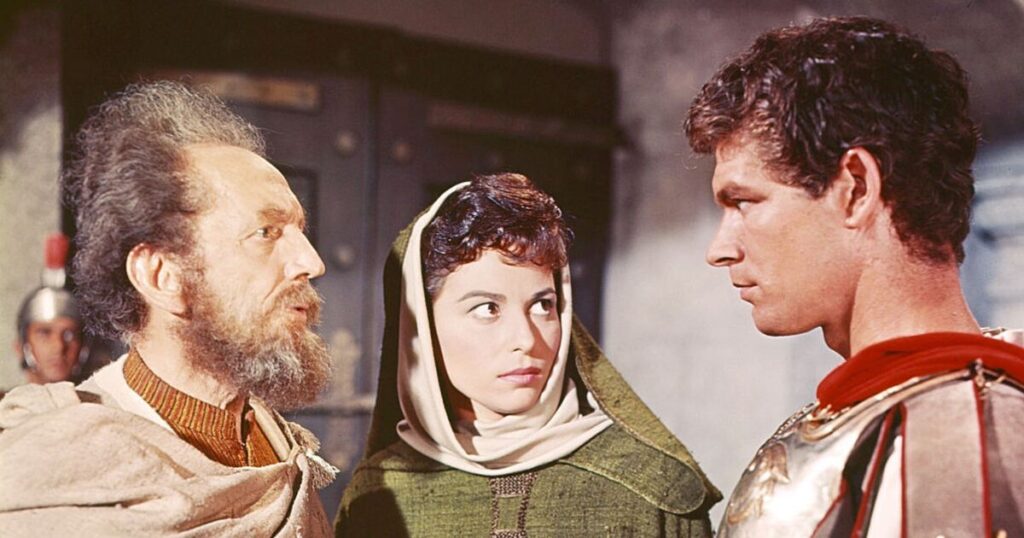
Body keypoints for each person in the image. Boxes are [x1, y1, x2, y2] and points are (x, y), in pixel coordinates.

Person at [685, 16, 1024, 537]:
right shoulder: (868, 411)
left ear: (857, 189)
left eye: (744, 201)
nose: (719, 250)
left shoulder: (953, 434)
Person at [0, 81, 336, 536]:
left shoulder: (277, 445)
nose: (311, 262)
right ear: (162, 276)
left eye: (299, 231)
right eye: (266, 233)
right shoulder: (58, 473)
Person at [335, 173, 719, 536]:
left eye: (542, 305)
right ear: (420, 327)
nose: (526, 339)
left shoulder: (653, 489)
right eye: (487, 308)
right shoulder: (377, 495)